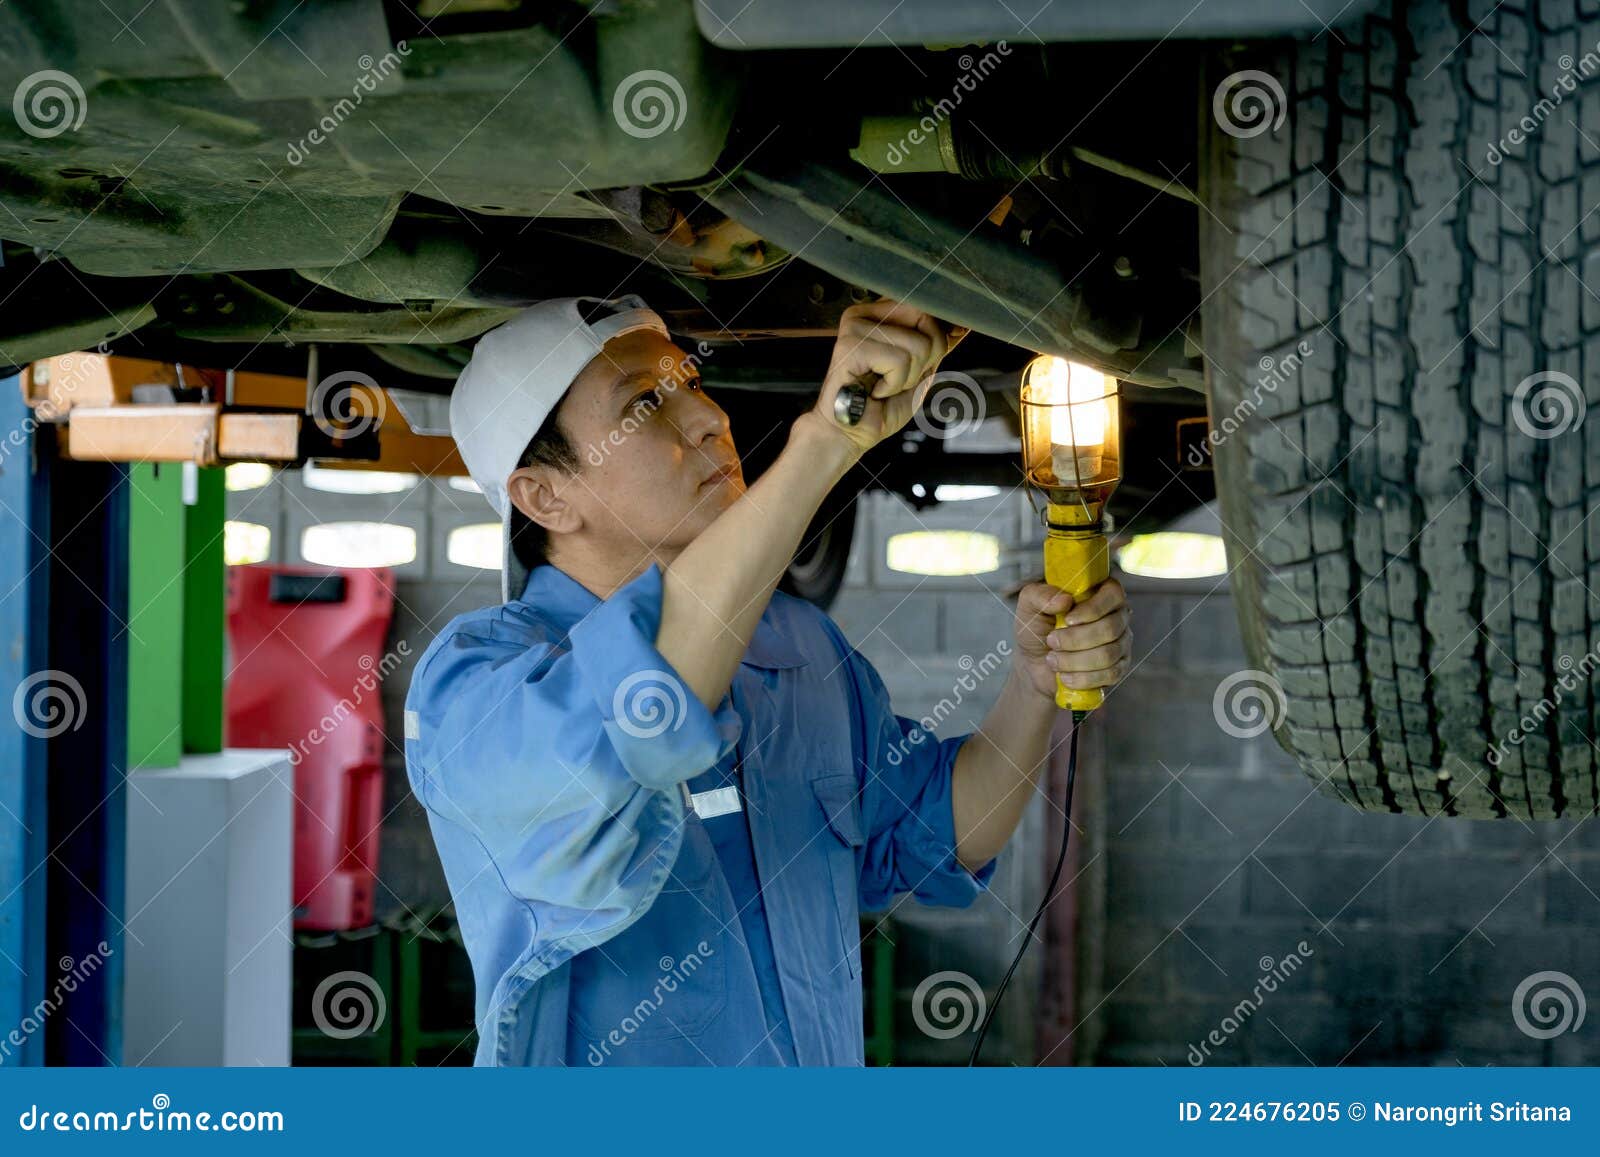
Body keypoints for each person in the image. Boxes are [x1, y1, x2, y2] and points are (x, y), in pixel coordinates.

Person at [402, 294, 1130, 1065]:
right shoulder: (480, 684)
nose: (708, 417)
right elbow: (643, 718)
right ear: (546, 496)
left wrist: (1034, 678)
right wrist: (825, 442)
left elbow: (933, 831)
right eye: (646, 403)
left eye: (688, 381)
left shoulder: (796, 644)